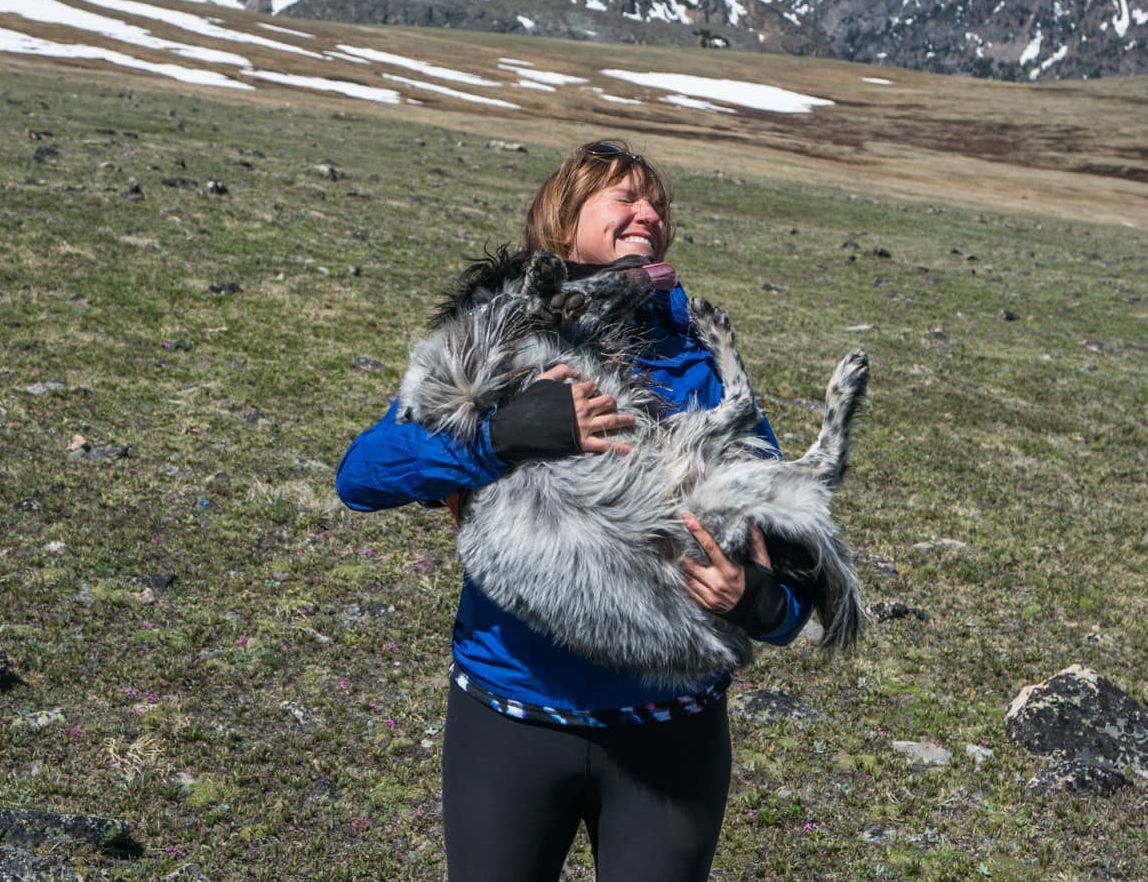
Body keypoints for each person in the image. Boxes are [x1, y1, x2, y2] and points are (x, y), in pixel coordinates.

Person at [335, 139, 811, 881]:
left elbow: (791, 561)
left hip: (671, 737)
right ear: (562, 224)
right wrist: (501, 437)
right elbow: (363, 475)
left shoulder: (696, 359)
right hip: (508, 721)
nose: (647, 212)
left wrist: (757, 604)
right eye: (623, 198)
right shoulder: (495, 340)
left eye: (656, 203)